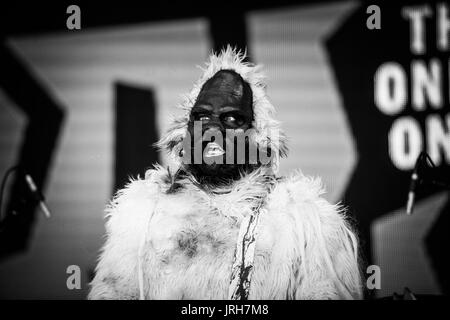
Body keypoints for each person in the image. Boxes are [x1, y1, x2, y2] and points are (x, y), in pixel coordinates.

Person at [89, 47, 363, 300]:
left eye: (232, 119)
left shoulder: (306, 226)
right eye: (202, 117)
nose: (213, 131)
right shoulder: (141, 217)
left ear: (258, 136)